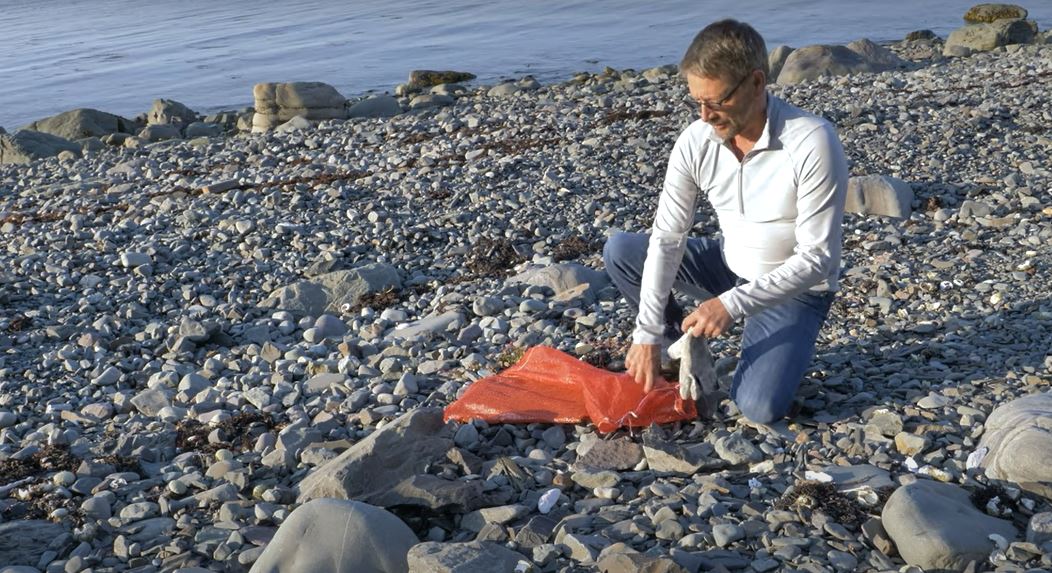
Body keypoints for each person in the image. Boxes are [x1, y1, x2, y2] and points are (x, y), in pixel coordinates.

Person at [603, 19, 849, 425]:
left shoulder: (811, 140)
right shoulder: (696, 139)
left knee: (758, 407)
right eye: (696, 101)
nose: (704, 115)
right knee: (623, 250)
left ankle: (765, 341)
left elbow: (818, 260)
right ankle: (670, 348)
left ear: (756, 82)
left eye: (716, 101)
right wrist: (646, 332)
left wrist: (730, 306)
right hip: (728, 264)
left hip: (797, 289)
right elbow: (667, 237)